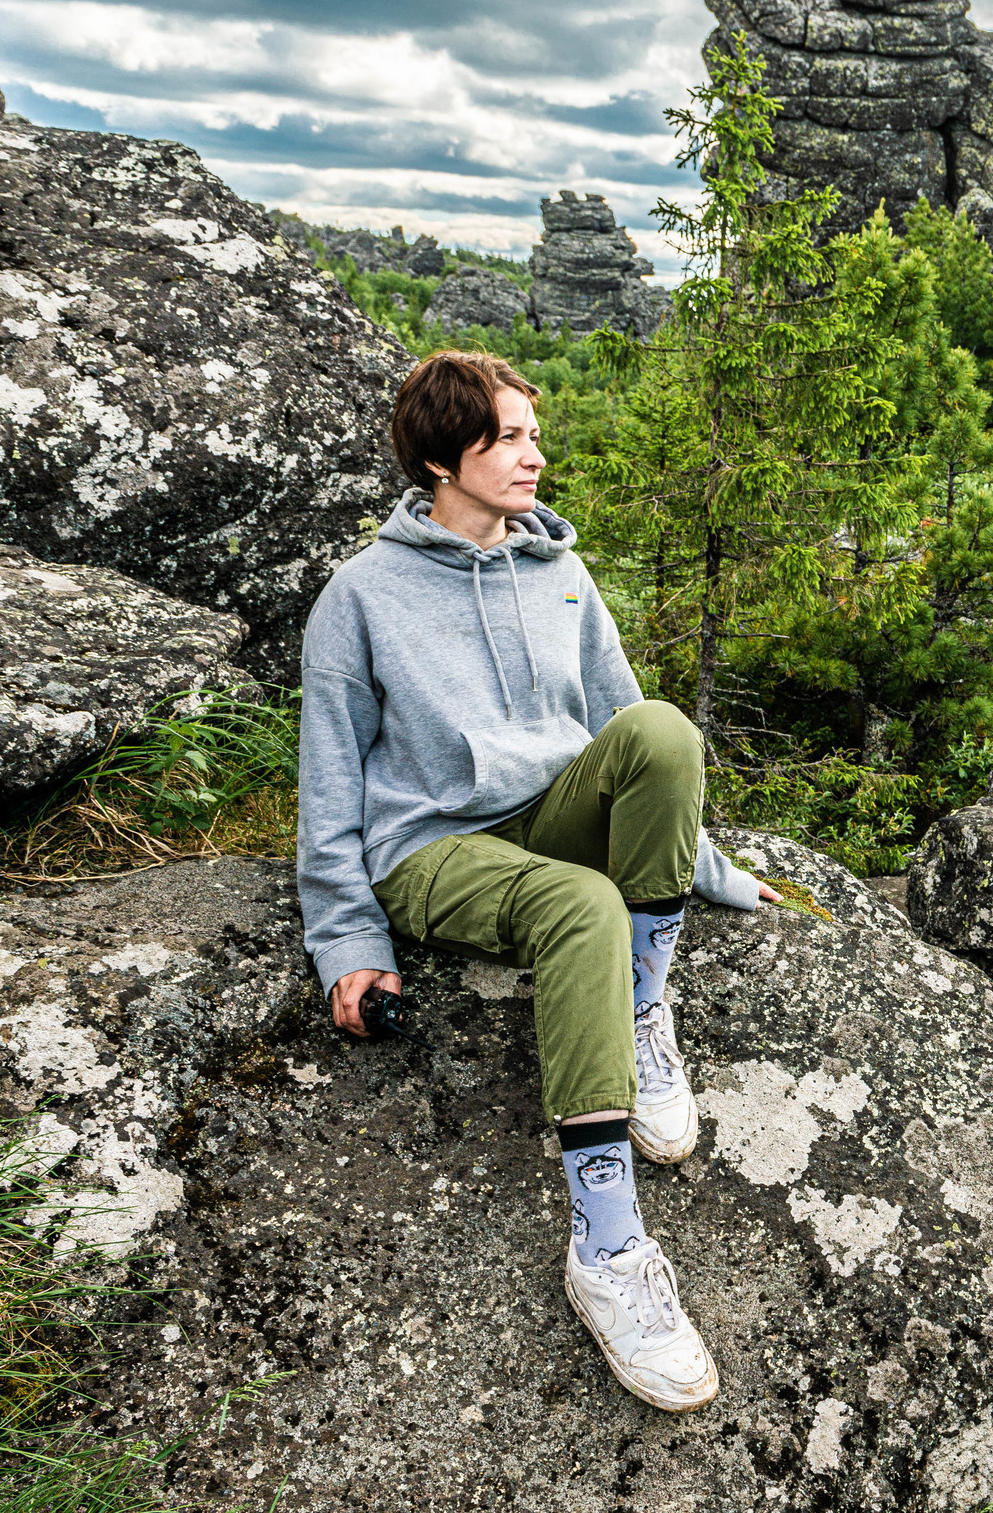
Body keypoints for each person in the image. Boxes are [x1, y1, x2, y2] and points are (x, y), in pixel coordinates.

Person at [295, 348, 774, 1413]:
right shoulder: (361, 595)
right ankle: (608, 1246)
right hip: (434, 849)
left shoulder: (560, 571)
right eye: (508, 436)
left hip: (548, 816)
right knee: (581, 903)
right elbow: (329, 784)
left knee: (664, 727)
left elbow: (630, 736)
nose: (534, 456)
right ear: (440, 456)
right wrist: (350, 943)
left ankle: (642, 1008)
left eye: (532, 434)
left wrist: (709, 867)